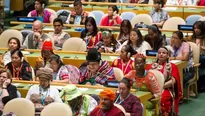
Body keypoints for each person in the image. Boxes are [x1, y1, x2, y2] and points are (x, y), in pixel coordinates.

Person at [146, 47, 182, 115]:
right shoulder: (152, 66)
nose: (161, 54)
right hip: (152, 89)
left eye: (164, 53)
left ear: (168, 55)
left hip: (166, 88)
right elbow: (146, 78)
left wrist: (161, 86)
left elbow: (173, 81)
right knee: (145, 98)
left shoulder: (172, 66)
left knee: (162, 99)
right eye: (159, 53)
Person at [171, 31, 195, 95]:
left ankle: (179, 96)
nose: (173, 39)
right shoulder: (172, 46)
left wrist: (173, 58)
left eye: (175, 38)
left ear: (181, 39)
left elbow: (185, 58)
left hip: (188, 70)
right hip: (176, 69)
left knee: (177, 80)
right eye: (172, 37)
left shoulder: (185, 45)